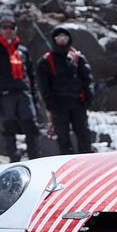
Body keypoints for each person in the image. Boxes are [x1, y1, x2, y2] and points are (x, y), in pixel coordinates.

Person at [0, 12, 41, 163]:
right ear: (0, 29)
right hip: (5, 95)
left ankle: (34, 158)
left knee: (31, 126)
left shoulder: (22, 51)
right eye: (5, 27)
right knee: (8, 127)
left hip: (24, 93)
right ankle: (13, 159)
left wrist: (35, 98)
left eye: (11, 27)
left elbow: (31, 76)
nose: (8, 30)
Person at [35, 26, 95, 155]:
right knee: (62, 136)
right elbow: (43, 84)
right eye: (59, 38)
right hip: (58, 105)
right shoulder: (46, 61)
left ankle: (86, 158)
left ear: (69, 39)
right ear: (54, 40)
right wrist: (48, 100)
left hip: (78, 103)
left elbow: (87, 79)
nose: (62, 41)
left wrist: (89, 96)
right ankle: (67, 161)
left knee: (83, 133)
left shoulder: (78, 58)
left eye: (65, 38)